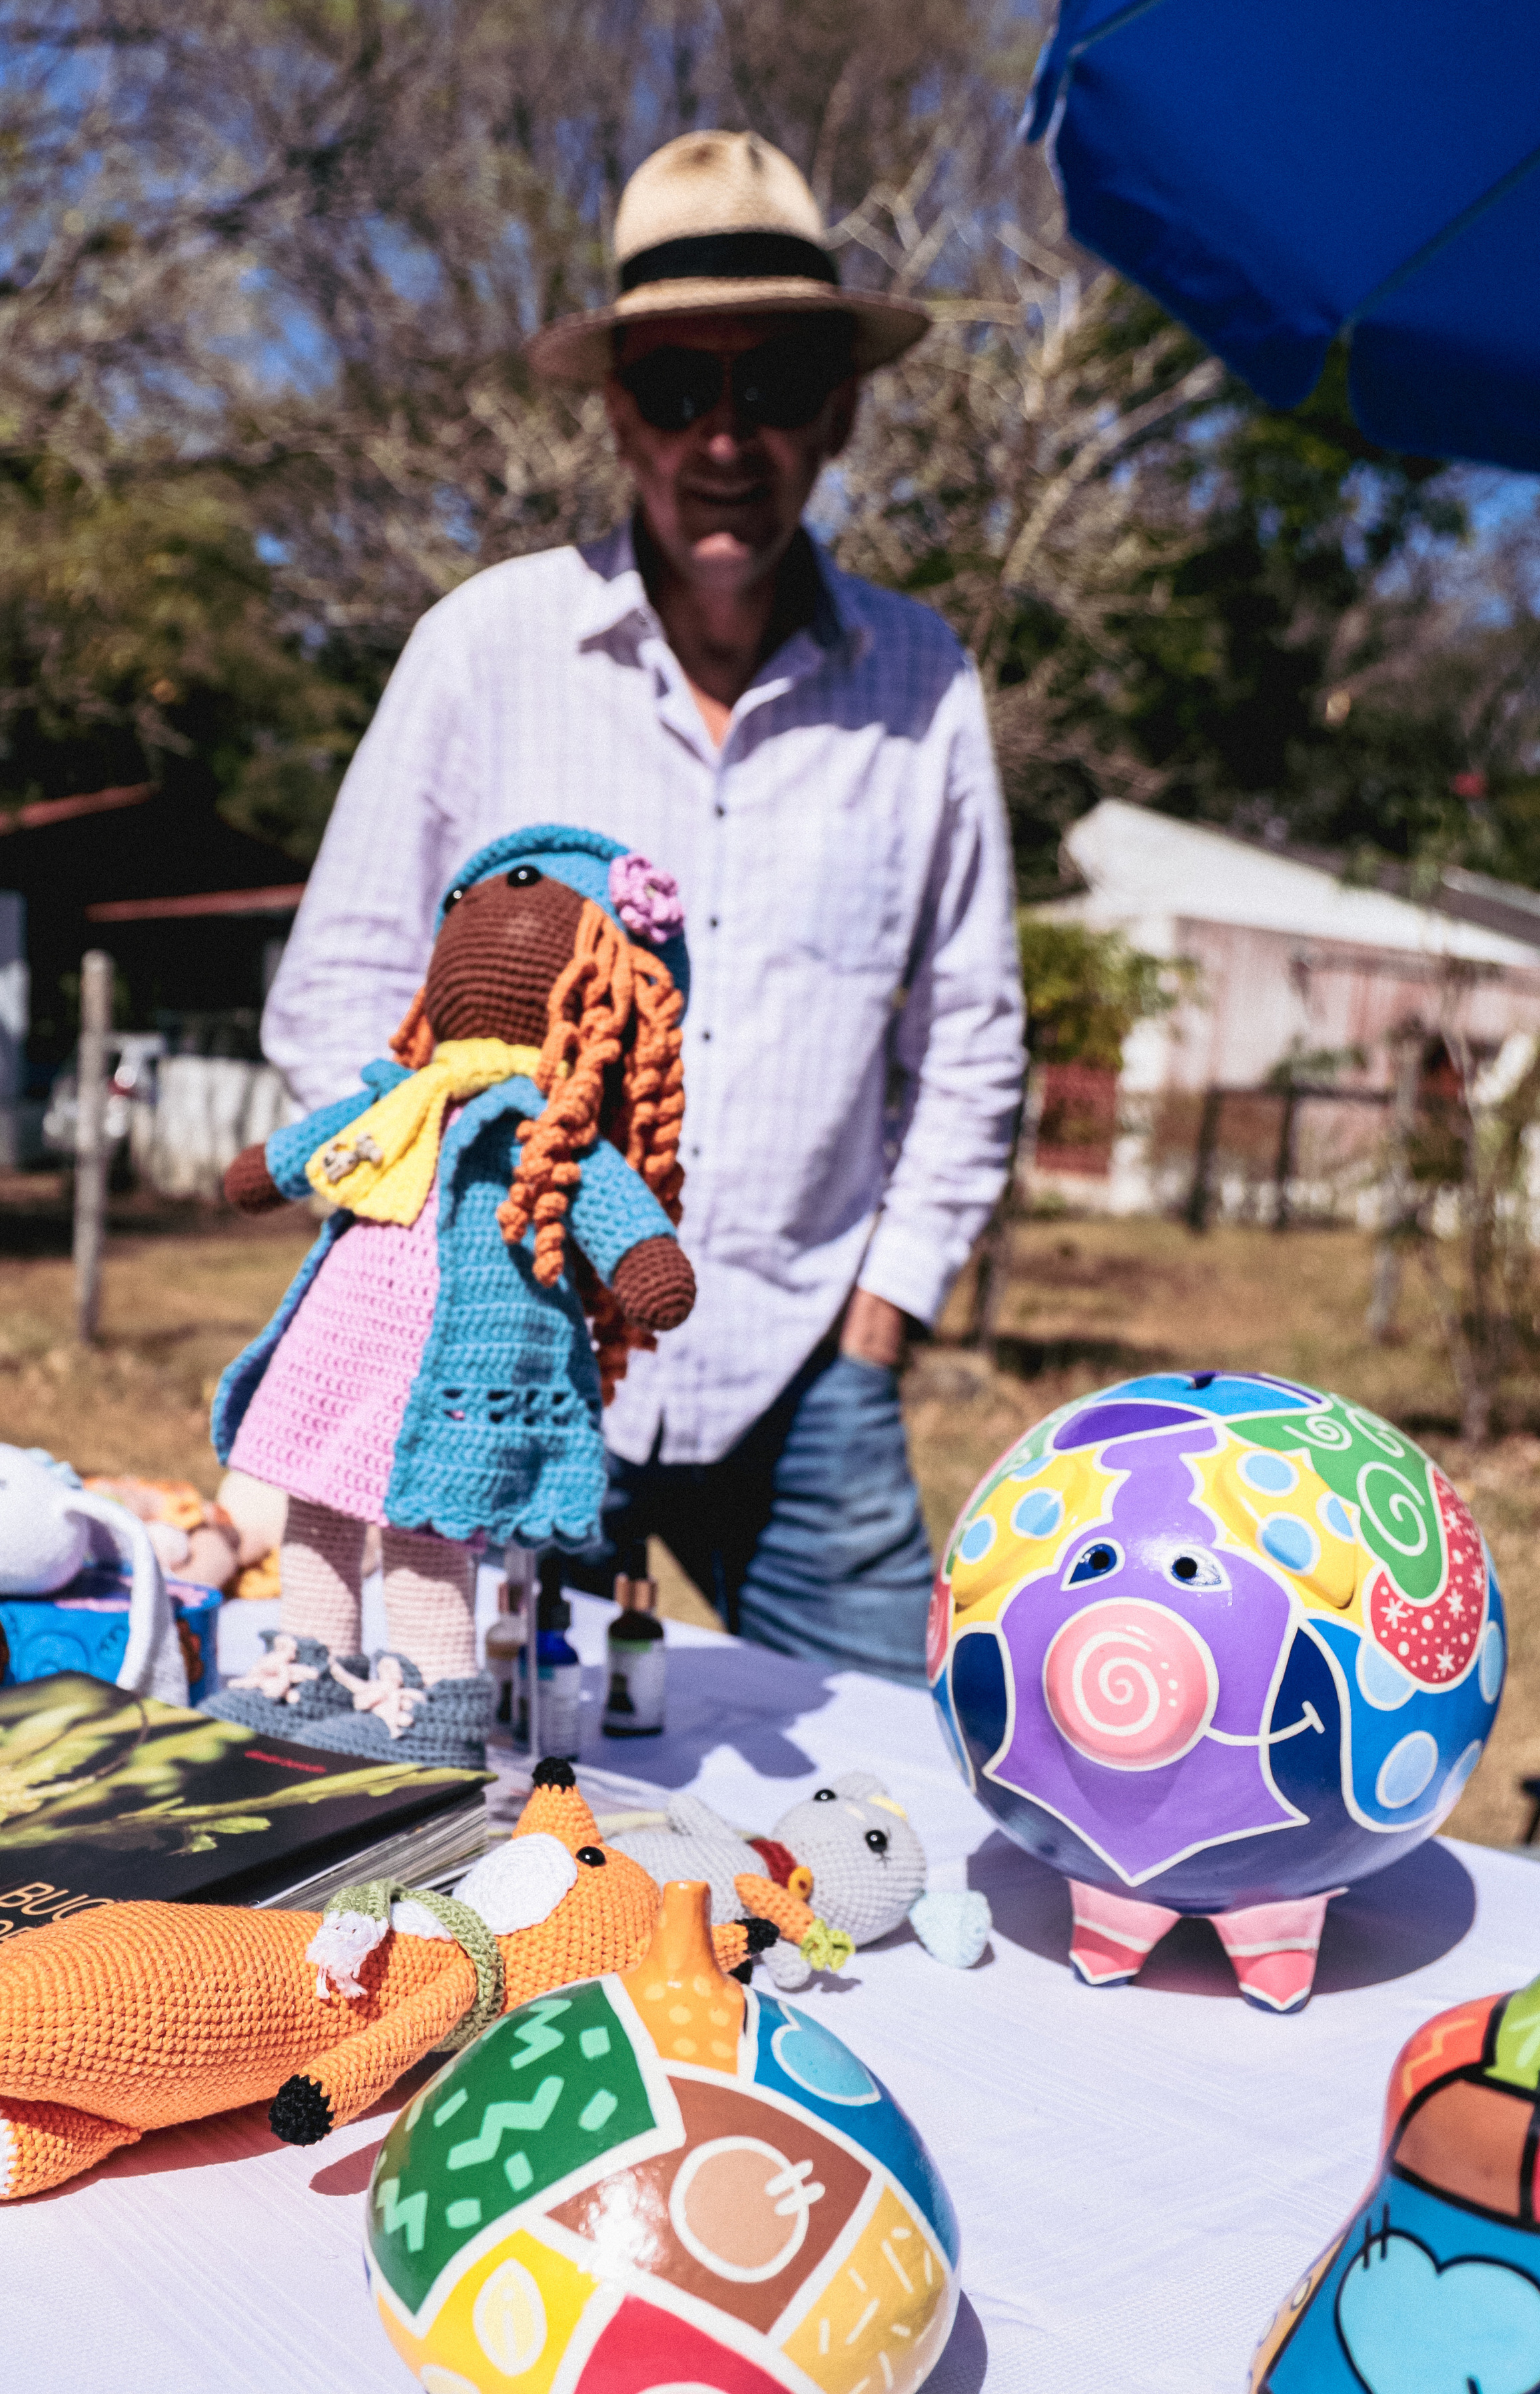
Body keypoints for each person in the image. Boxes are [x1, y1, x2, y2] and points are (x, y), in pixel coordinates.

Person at [260, 129, 1026, 1686]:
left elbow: (971, 1036)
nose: (724, 438)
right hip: (501, 1345)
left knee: (915, 1767)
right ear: (618, 410)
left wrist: (883, 1315)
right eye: (678, 388)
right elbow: (335, 988)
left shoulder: (922, 679)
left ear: (841, 409)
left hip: (807, 1374)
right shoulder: (484, 648)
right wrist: (438, 1263)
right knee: (457, 1752)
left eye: (774, 385)